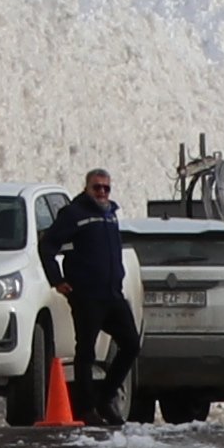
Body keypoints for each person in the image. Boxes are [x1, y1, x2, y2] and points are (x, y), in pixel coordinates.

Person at [43, 167, 137, 427]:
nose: (102, 192)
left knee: (131, 344)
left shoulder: (110, 214)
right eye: (97, 187)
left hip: (112, 293)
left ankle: (105, 398)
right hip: (86, 295)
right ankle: (85, 410)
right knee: (86, 352)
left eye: (106, 188)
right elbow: (48, 245)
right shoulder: (74, 214)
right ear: (86, 188)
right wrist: (57, 280)